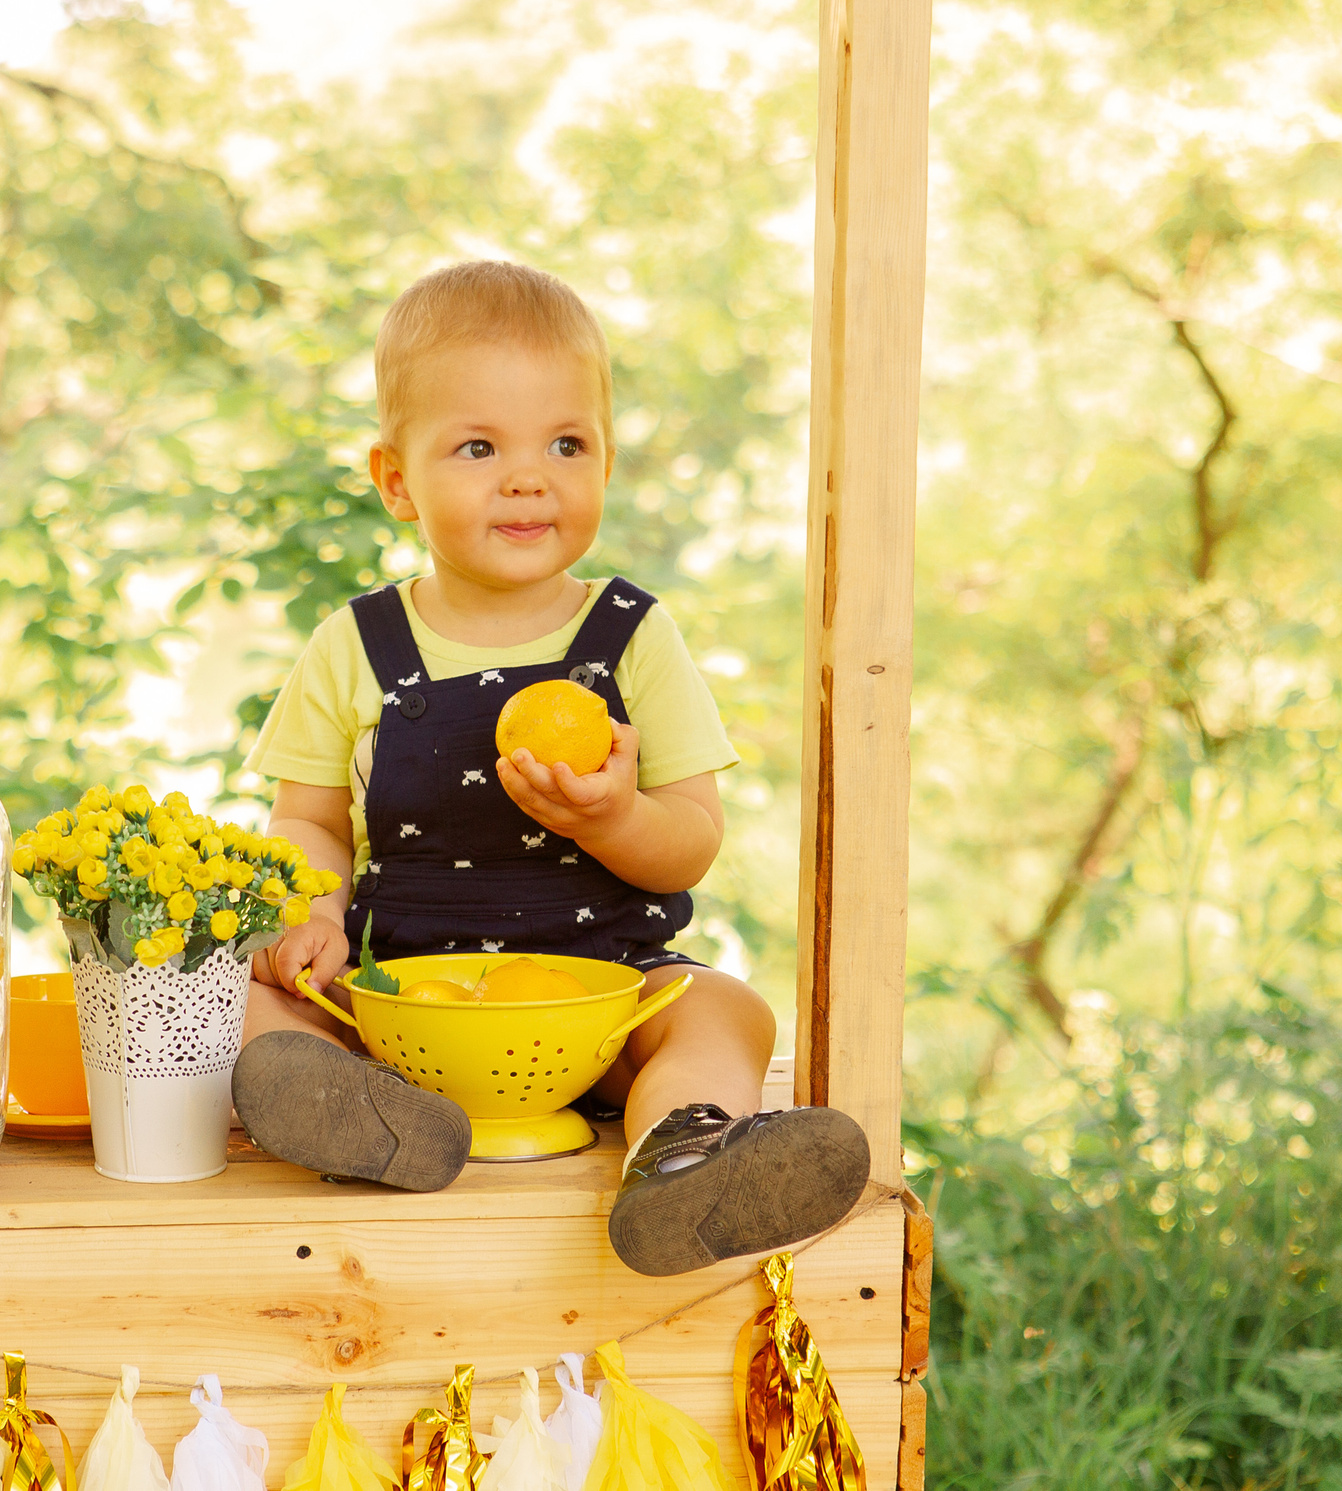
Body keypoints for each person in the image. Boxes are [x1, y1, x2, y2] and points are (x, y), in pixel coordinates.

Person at [229, 258, 869, 1276]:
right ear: (395, 481)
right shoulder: (355, 644)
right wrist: (307, 913)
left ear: (605, 464)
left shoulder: (632, 637)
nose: (529, 478)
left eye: (565, 444)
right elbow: (306, 819)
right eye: (478, 446)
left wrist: (610, 817)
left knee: (725, 1009)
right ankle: (370, 1122)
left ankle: (683, 1161)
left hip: (603, 1003)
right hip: (404, 1005)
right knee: (251, 991)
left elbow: (689, 844)